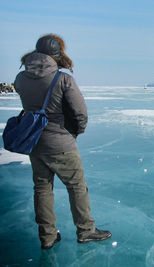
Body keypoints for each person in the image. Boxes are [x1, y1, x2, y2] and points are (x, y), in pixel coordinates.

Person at [14, 34, 111, 250]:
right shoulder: (63, 79)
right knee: (76, 187)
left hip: (35, 143)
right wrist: (76, 132)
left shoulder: (20, 78)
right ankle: (86, 230)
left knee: (42, 188)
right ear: (57, 54)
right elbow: (80, 112)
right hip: (61, 143)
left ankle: (47, 236)